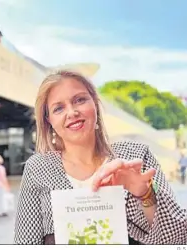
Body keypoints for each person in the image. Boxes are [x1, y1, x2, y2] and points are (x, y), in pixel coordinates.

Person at [13, 70, 187, 245]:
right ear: (48, 120)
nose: (72, 112)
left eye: (80, 100)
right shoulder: (38, 168)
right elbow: (25, 242)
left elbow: (178, 239)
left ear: (94, 103)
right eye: (58, 108)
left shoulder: (136, 157)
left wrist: (146, 194)